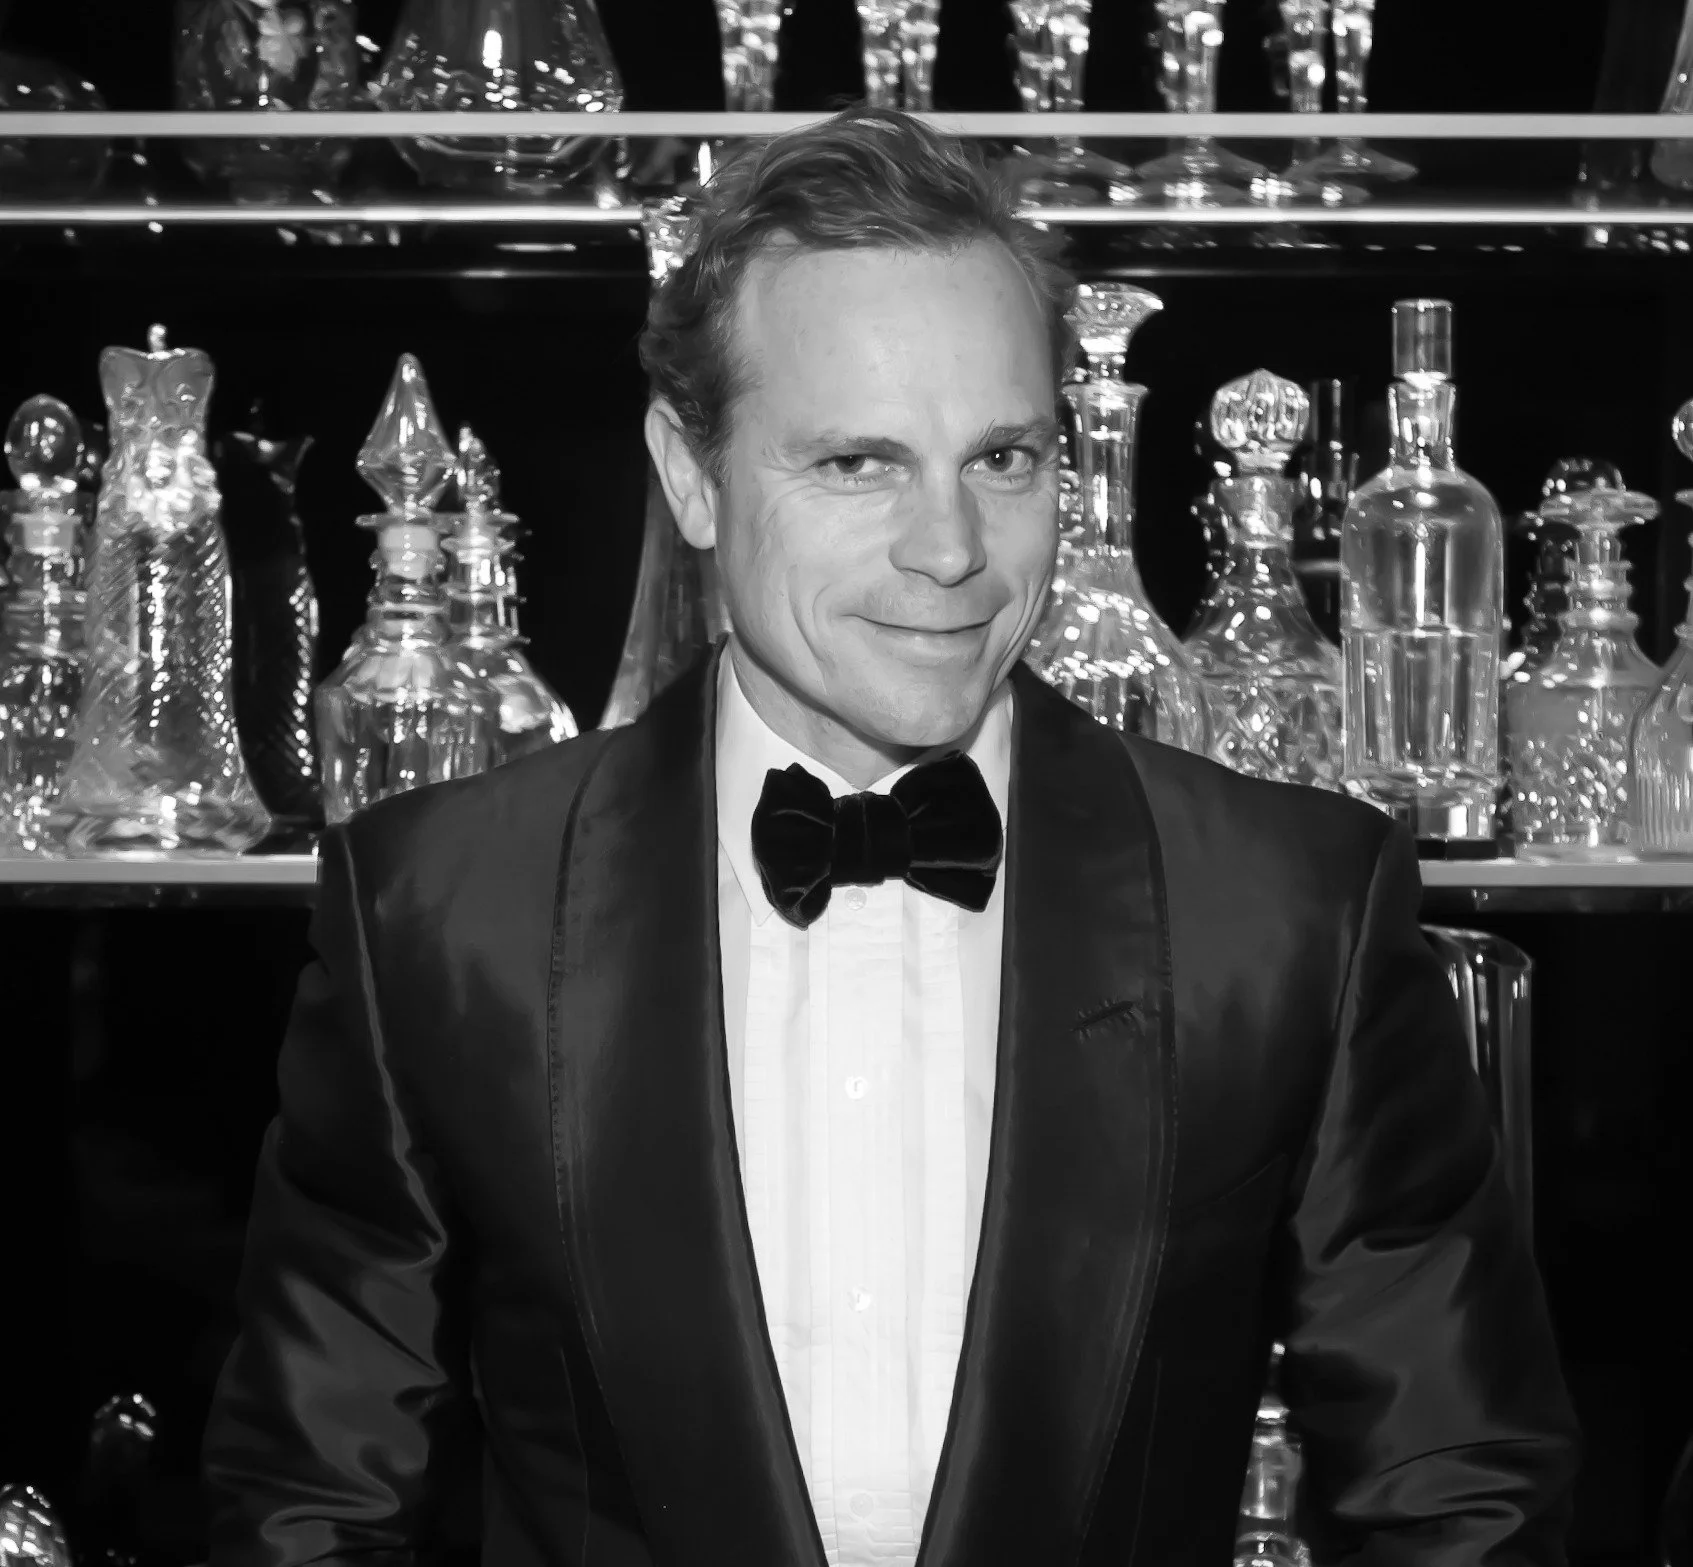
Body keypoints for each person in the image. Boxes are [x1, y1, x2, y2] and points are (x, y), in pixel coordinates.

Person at [203, 107, 1579, 1567]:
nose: (951, 552)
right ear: (690, 471)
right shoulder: (435, 908)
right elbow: (311, 1500)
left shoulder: (1290, 907)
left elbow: (1459, 1494)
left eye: (1003, 458)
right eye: (859, 463)